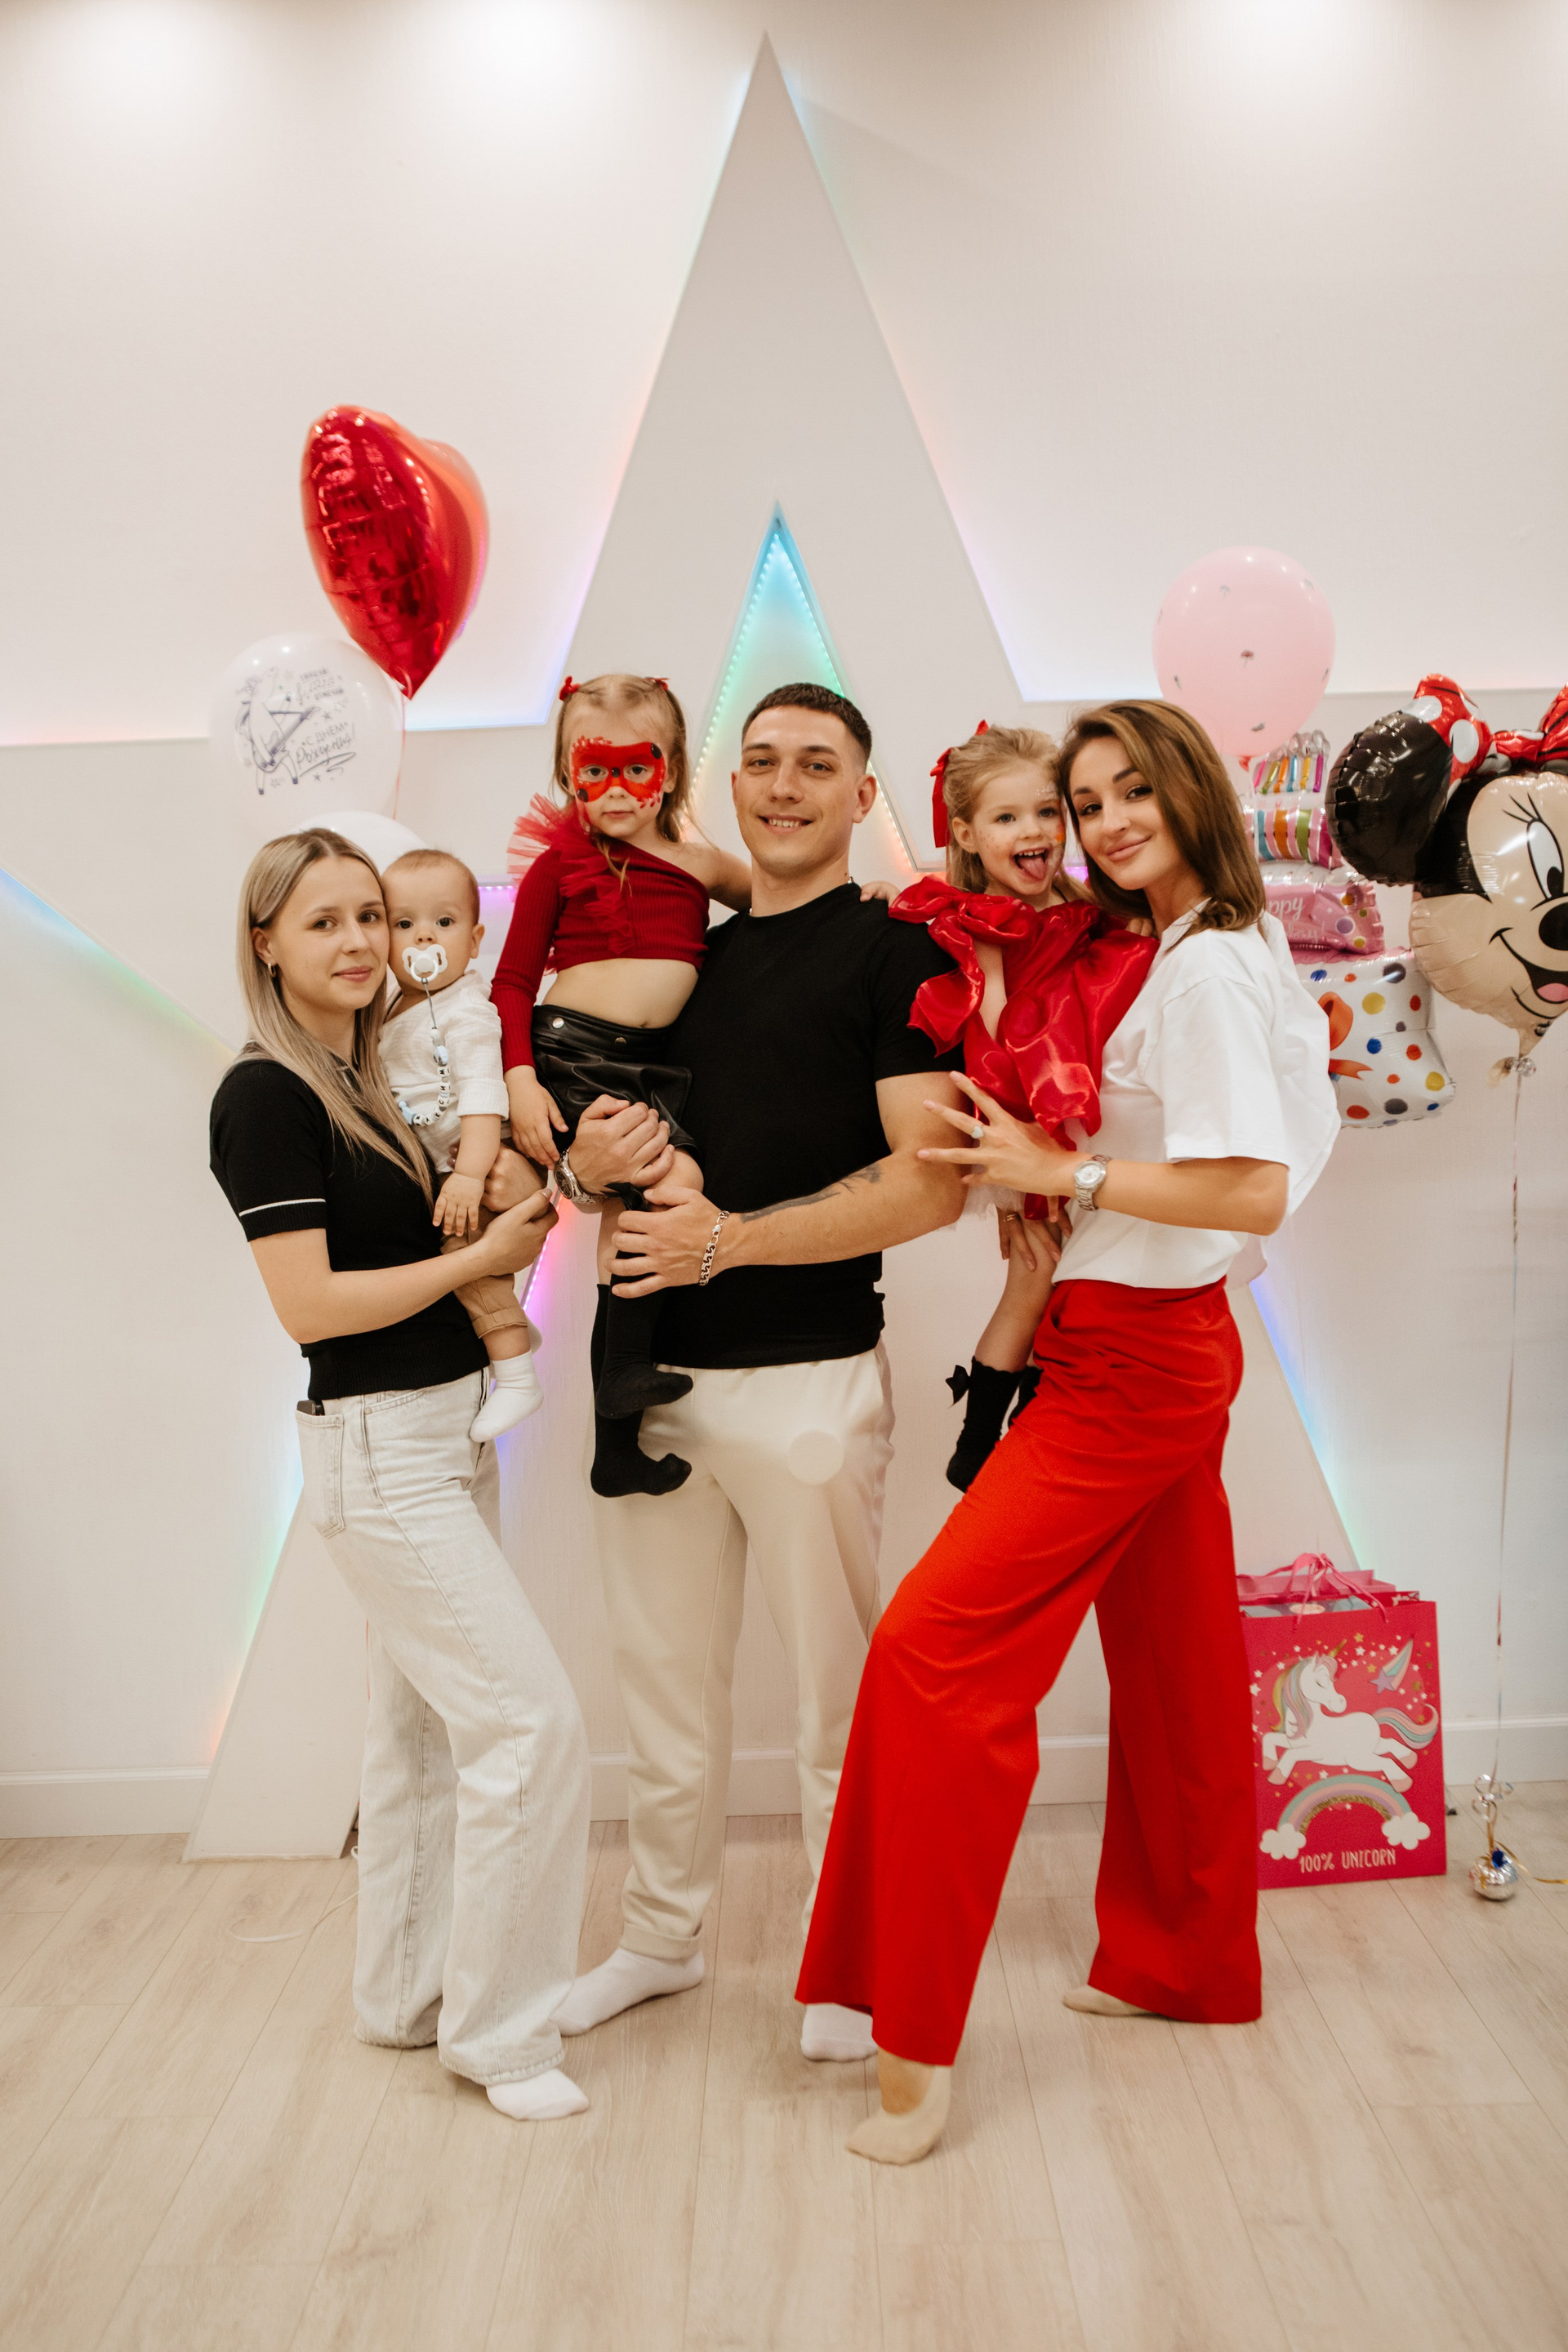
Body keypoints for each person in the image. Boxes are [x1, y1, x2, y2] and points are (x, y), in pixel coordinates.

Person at [797, 700, 1339, 2164]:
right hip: (1138, 1337)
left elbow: (1251, 1188)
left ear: (1190, 789)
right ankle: (1184, 1962)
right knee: (1175, 1662)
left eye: (1127, 792)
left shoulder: (1206, 964)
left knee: (931, 1653)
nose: (1103, 823)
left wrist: (1066, 1174)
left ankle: (908, 2042)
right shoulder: (1177, 944)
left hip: (1140, 1365)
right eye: (1085, 801)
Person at [544, 682, 968, 2065]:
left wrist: (727, 1243)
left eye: (818, 766)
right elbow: (598, 1157)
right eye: (764, 762)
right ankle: (660, 1940)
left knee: (838, 1700)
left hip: (809, 1383)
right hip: (649, 1382)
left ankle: (851, 1967)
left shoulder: (896, 955)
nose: (785, 786)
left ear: (862, 796)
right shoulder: (680, 959)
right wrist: (578, 1168)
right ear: (729, 789)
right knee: (664, 1694)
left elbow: (930, 1187)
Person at [208, 827, 593, 2123]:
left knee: (424, 1737)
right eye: (323, 922)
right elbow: (310, 1307)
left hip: (443, 1427)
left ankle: (403, 1998)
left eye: (371, 916)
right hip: (379, 1452)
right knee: (529, 1727)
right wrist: (475, 1266)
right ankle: (503, 2039)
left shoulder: (375, 1072)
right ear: (267, 943)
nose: (361, 942)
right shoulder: (266, 1095)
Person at [490, 673, 753, 1497]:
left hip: (647, 1064)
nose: (613, 791)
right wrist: (521, 1080)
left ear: (670, 770)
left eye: (634, 769)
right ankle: (622, 1380)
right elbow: (511, 980)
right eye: (592, 771)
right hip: (573, 1053)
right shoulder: (559, 864)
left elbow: (781, 897)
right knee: (664, 1183)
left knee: (656, 1196)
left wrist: (872, 896)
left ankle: (615, 1445)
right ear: (568, 771)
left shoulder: (698, 862)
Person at [891, 723, 1156, 1487]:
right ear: (967, 834)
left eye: (1046, 812)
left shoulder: (1082, 909)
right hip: (1027, 1120)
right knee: (1037, 1279)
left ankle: (1024, 1431)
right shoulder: (979, 923)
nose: (1034, 831)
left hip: (1073, 1125)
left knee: (1065, 1280)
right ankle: (979, 1447)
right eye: (1006, 818)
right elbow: (998, 1036)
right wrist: (1027, 1171)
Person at [379, 846, 543, 1441]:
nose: (424, 936)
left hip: (475, 1161)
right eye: (404, 923)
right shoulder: (394, 1008)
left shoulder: (466, 1011)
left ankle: (518, 1377)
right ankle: (504, 1327)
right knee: (455, 1272)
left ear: (474, 941)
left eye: (443, 922)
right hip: (446, 1169)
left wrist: (471, 1175)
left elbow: (482, 1096)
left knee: (464, 1259)